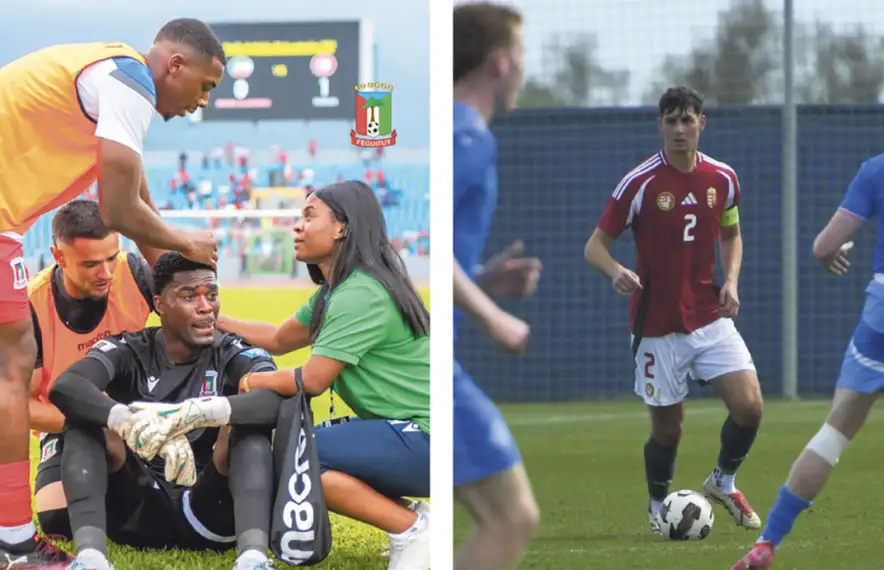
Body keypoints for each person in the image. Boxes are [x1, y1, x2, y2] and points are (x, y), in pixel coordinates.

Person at [0, 18, 223, 564]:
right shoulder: (130, 82)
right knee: (13, 363)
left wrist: (175, 279)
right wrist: (188, 243)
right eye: (205, 86)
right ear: (175, 65)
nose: (202, 103)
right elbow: (118, 211)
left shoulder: (115, 84)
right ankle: (13, 542)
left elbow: (133, 196)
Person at [150, 181, 432, 570]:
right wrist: (206, 320)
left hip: (428, 436)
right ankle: (414, 520)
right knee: (301, 450)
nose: (297, 227)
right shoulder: (338, 292)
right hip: (415, 433)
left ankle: (412, 528)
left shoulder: (359, 294)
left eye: (309, 216)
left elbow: (312, 380)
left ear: (342, 228)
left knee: (299, 457)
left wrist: (249, 383)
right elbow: (278, 339)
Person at [584, 86, 764, 535]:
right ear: (660, 125)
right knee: (669, 431)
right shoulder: (640, 182)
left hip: (709, 316)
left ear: (702, 123)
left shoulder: (722, 178)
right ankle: (657, 505)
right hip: (657, 326)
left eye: (687, 120)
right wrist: (615, 271)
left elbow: (731, 233)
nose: (679, 129)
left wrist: (733, 281)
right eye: (671, 121)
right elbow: (595, 246)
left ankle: (722, 480)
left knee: (750, 408)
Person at [48, 252, 286, 570]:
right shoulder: (131, 349)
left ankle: (253, 559)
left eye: (211, 295)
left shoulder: (231, 350)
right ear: (160, 305)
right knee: (83, 421)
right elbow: (67, 386)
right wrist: (127, 420)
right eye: (189, 296)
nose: (206, 307)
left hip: (210, 513)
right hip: (137, 513)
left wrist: (196, 412)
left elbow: (276, 398)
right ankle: (91, 559)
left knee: (249, 427)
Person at [731, 157, 875, 569]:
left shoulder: (876, 170)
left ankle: (767, 544)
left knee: (834, 433)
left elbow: (824, 247)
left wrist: (831, 256)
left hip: (880, 319)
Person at [452, 4, 542, 570]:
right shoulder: (468, 135)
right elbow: (424, 251)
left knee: (502, 515)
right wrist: (492, 315)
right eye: (523, 57)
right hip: (428, 361)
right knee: (512, 517)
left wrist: (484, 280)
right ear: (501, 63)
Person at [28, 200, 157, 537]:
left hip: (145, 414)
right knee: (57, 519)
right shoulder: (31, 307)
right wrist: (102, 421)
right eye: (90, 264)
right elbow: (20, 405)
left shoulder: (136, 272)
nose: (107, 273)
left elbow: (191, 325)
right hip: (72, 423)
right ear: (59, 257)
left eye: (111, 258)